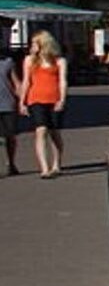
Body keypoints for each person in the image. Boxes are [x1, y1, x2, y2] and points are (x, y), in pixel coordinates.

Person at [20, 30, 67, 178]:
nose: (32, 46)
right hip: (35, 98)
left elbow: (62, 81)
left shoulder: (59, 61)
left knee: (54, 132)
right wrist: (22, 101)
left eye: (35, 43)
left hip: (54, 98)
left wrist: (62, 99)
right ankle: (44, 168)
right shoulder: (29, 60)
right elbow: (26, 81)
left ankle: (56, 163)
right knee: (41, 130)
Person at [0, 46, 20, 176]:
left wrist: (22, 101)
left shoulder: (8, 62)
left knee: (10, 136)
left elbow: (16, 82)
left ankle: (11, 163)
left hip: (8, 103)